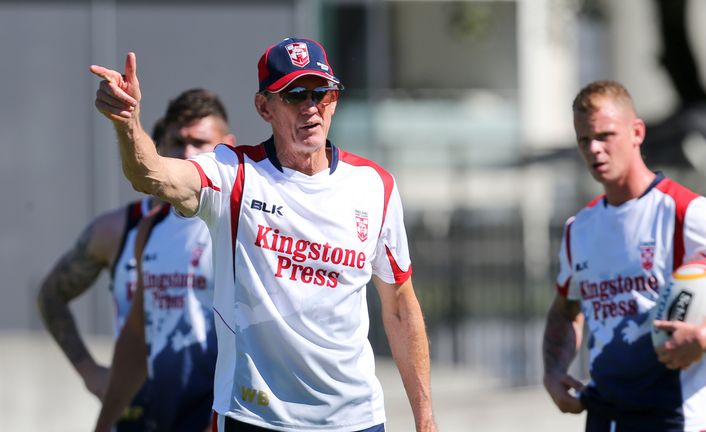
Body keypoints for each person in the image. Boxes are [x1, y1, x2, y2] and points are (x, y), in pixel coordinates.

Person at [89, 37, 437, 432]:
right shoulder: (234, 174)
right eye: (293, 95)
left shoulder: (375, 186)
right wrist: (128, 124)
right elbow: (151, 175)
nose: (310, 107)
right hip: (253, 419)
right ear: (263, 107)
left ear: (334, 100)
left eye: (320, 92)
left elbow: (399, 307)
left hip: (356, 421)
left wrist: (425, 419)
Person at [542, 80, 706, 432]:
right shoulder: (579, 229)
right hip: (605, 417)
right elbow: (564, 311)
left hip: (679, 419)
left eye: (605, 136)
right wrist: (554, 372)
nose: (595, 149)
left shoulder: (684, 212)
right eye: (584, 140)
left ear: (637, 132)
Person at [38, 88, 235, 431]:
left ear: (228, 146)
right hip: (139, 411)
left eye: (201, 143)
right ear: (158, 150)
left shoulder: (240, 223)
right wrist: (90, 374)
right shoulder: (129, 229)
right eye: (177, 142)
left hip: (212, 413)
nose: (188, 154)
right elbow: (53, 295)